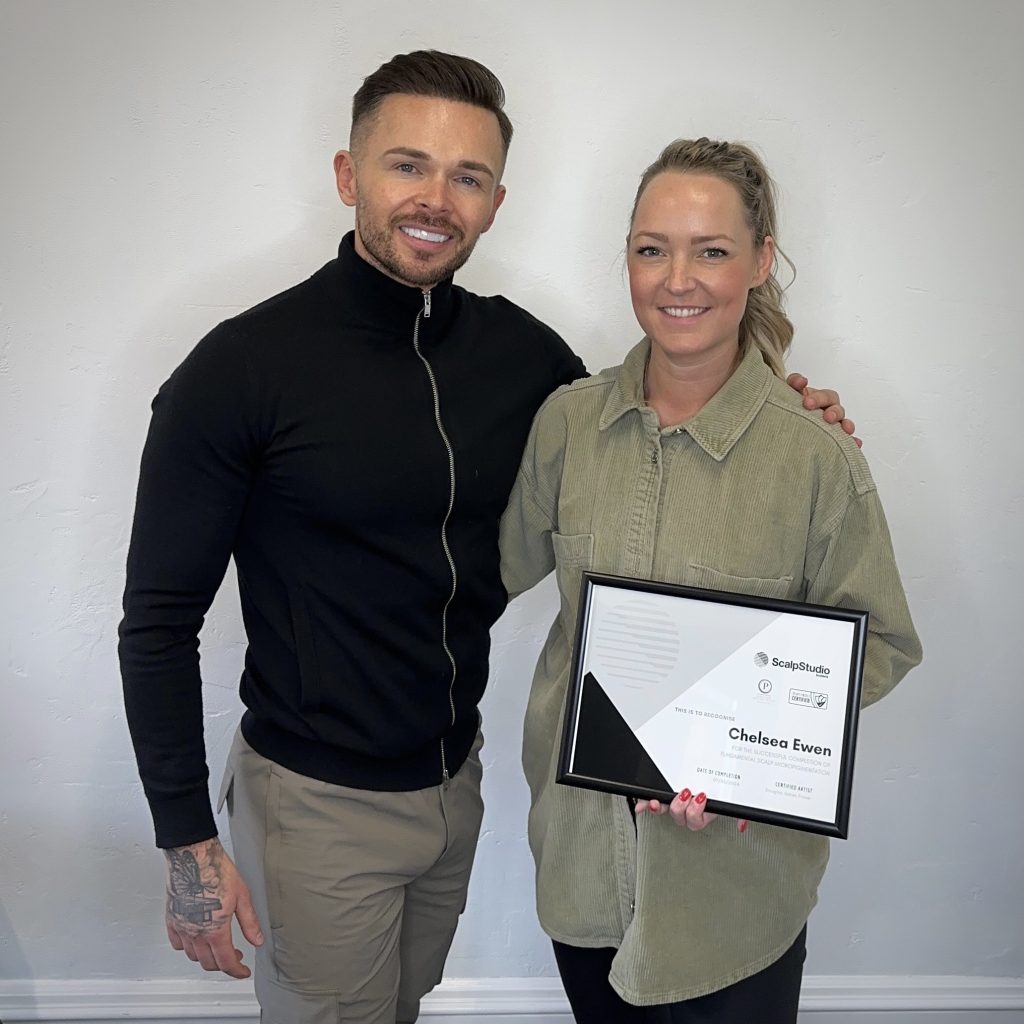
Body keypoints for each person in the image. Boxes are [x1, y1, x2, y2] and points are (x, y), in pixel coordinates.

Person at [118, 51, 854, 1024]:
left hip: (451, 788)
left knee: (401, 1006)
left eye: (467, 176)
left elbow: (644, 428)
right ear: (347, 174)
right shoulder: (241, 369)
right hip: (315, 802)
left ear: (496, 202)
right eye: (406, 165)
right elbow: (157, 622)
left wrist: (779, 411)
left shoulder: (523, 358)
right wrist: (186, 844)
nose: (436, 198)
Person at [499, 138, 922, 1023]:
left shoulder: (815, 457)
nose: (678, 280)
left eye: (712, 250)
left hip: (733, 897)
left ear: (761, 262)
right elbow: (481, 575)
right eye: (652, 249)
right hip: (582, 869)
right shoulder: (567, 425)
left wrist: (744, 758)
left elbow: (879, 643)